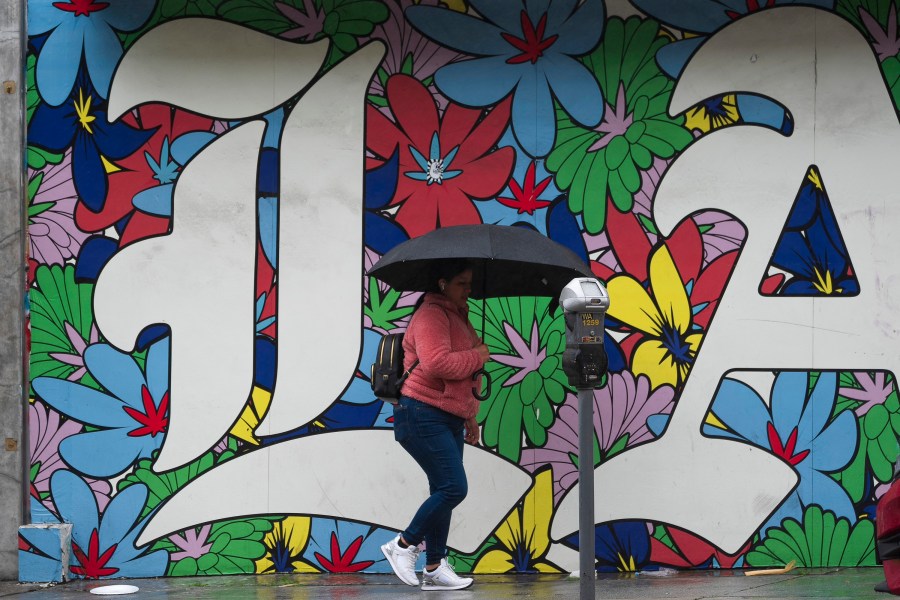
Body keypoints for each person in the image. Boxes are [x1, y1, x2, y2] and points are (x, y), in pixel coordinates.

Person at [380, 259, 490, 591]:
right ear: (442, 283)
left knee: (441, 489)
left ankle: (435, 566)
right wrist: (480, 355)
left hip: (447, 415)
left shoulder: (458, 315)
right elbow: (437, 363)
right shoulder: (431, 315)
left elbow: (461, 377)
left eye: (470, 283)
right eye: (462, 283)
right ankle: (402, 545)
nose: (468, 290)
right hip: (422, 413)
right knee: (453, 488)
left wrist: (469, 414)